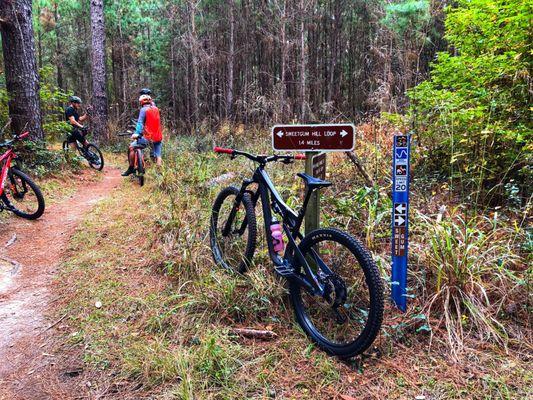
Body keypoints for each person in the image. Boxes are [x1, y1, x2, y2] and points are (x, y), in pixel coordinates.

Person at [122, 94, 163, 176]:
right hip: (158, 137)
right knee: (158, 155)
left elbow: (140, 123)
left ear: (141, 102)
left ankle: (131, 168)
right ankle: (159, 176)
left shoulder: (143, 110)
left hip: (148, 138)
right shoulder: (156, 109)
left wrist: (137, 133)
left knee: (131, 147)